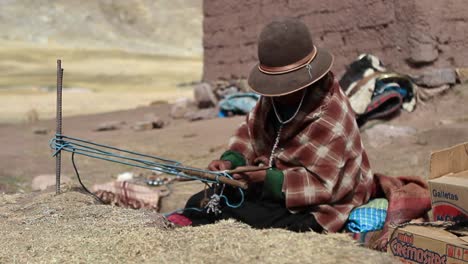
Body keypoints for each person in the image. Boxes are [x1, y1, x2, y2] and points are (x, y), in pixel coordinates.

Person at [178, 18, 374, 233]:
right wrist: (230, 161)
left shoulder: (332, 115)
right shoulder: (274, 98)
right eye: (274, 86)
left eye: (284, 86)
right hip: (273, 184)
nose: (276, 94)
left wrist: (265, 178)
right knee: (202, 201)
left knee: (241, 215)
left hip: (320, 204)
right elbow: (249, 135)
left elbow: (325, 187)